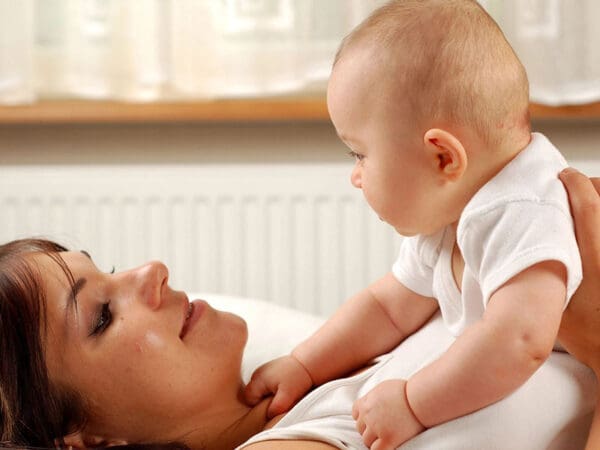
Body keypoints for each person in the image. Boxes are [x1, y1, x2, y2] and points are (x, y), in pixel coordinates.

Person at [0, 169, 597, 450]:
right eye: (102, 315)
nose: (150, 271)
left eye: (107, 267)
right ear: (86, 440)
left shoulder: (304, 387)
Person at [244, 1, 584, 448]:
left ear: (442, 157)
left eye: (360, 153)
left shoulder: (524, 209)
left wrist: (414, 403)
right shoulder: (453, 214)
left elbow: (519, 340)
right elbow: (387, 307)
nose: (355, 175)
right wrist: (306, 364)